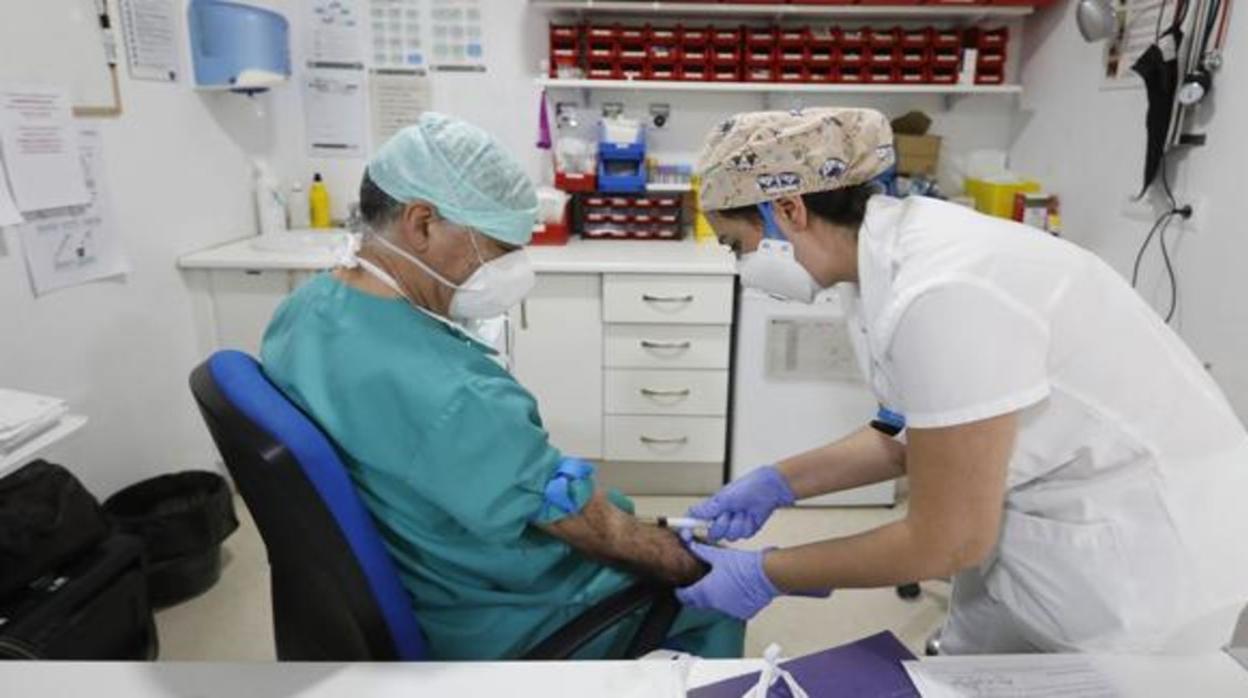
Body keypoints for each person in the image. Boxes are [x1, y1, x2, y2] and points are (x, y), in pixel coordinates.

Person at [675, 107, 1248, 654]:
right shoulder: (879, 265)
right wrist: (778, 482)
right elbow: (910, 435)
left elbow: (946, 540)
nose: (741, 267)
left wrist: (766, 574)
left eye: (737, 244)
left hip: (1140, 559)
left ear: (789, 210)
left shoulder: (944, 288)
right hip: (1037, 530)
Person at [261, 112, 742, 660]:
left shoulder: (303, 312)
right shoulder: (458, 395)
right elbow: (592, 530)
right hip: (495, 612)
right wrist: (703, 561)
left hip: (411, 562)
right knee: (714, 600)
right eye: (498, 247)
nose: (513, 267)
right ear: (421, 224)